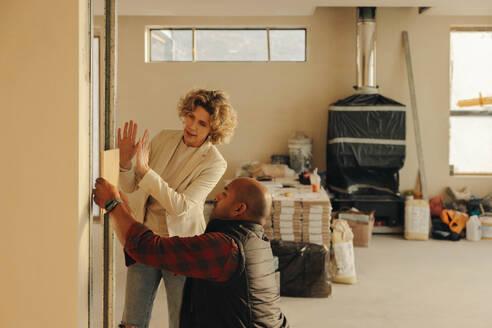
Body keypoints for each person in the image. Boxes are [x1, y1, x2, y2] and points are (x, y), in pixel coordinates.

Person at [93, 177, 289, 328]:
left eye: (225, 194)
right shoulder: (257, 243)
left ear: (239, 208)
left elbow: (148, 248)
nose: (216, 197)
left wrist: (112, 205)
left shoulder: (226, 247)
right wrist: (126, 213)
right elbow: (160, 247)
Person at [117, 89, 237, 328]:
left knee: (181, 322)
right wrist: (125, 162)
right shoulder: (163, 138)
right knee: (131, 322)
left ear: (213, 131)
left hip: (183, 247)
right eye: (191, 116)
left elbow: (180, 207)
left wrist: (145, 172)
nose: (191, 126)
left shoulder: (215, 163)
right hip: (146, 240)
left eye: (201, 123)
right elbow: (131, 185)